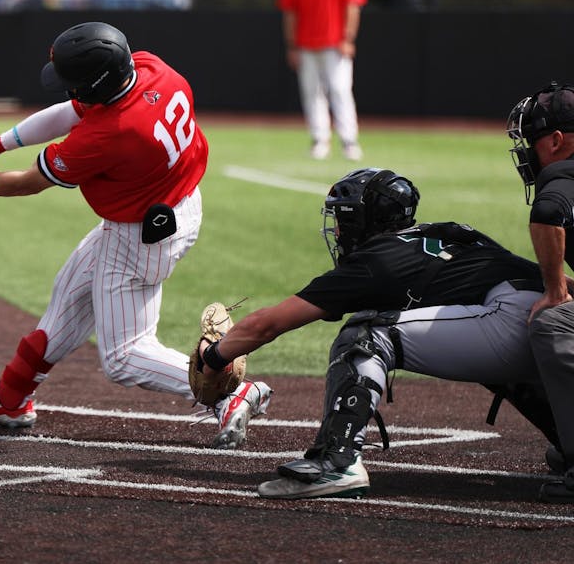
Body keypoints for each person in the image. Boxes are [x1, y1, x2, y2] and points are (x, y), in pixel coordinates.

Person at [0, 21, 272, 449]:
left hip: (141, 235)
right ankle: (10, 399)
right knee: (66, 303)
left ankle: (227, 391)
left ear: (97, 83)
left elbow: (31, 181)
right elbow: (70, 112)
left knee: (125, 357)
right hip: (166, 207)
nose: (69, 91)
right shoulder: (151, 68)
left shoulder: (112, 133)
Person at [195, 166, 555, 499]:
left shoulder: (377, 260)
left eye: (341, 218)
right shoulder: (450, 232)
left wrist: (213, 358)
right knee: (495, 358)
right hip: (553, 317)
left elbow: (270, 323)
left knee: (366, 332)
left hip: (511, 321)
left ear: (361, 221)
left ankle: (337, 463)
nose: (337, 229)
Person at [506, 82, 574, 503]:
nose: (527, 154)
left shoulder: (563, 170)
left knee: (551, 320)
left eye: (530, 142)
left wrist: (553, 289)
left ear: (556, 141)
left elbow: (548, 212)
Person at [277, 0, 367, 161]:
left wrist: (348, 38)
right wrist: (292, 45)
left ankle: (349, 140)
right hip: (306, 45)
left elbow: (353, 5)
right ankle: (320, 139)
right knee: (311, 92)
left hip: (334, 45)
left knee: (340, 89)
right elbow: (289, 12)